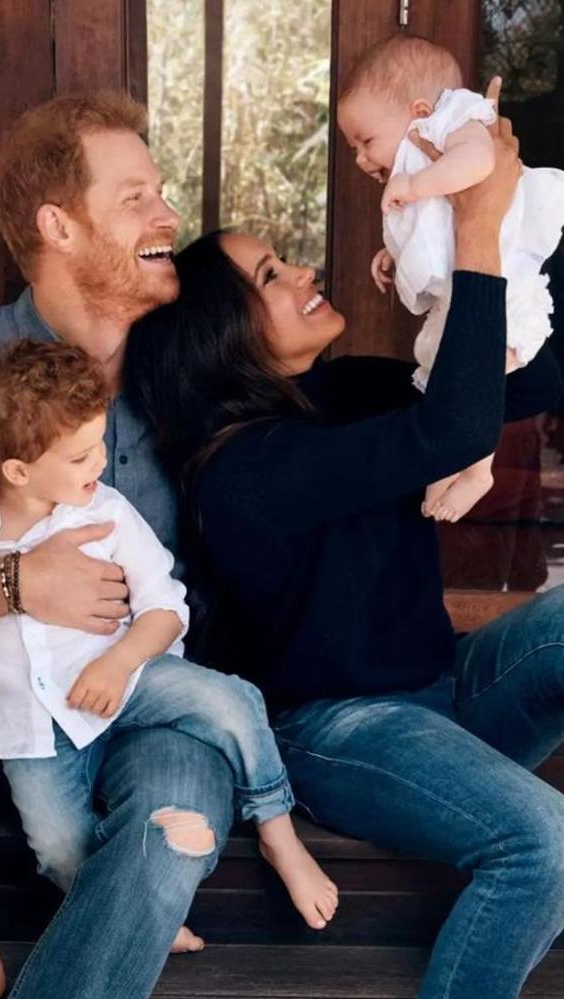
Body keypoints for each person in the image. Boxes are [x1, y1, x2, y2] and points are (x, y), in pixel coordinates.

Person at [125, 108, 564, 999]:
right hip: (340, 731)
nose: (304, 274)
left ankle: (467, 787)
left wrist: (506, 223)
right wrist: (472, 225)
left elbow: (531, 382)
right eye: (271, 275)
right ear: (221, 330)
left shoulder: (342, 392)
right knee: (541, 842)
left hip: (441, 694)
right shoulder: (241, 470)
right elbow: (451, 427)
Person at [0, 91, 238, 999]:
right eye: (135, 195)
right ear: (59, 224)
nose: (168, 214)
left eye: (160, 191)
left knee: (173, 824)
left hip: (148, 704)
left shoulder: (191, 367)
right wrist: (17, 582)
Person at [0, 337, 338, 932]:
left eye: (100, 443)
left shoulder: (108, 512)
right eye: (79, 456)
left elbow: (166, 608)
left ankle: (278, 831)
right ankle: (131, 909)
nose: (99, 463)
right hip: (32, 724)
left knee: (232, 702)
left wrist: (118, 663)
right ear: (18, 469)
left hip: (129, 673)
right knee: (55, 845)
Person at [337, 35, 564, 523]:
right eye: (352, 146)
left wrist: (416, 185)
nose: (359, 158)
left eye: (366, 140)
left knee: (474, 384)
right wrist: (393, 252)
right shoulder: (423, 157)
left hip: (504, 288)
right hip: (465, 292)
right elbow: (437, 229)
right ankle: (443, 471)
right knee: (446, 384)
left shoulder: (454, 120)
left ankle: (477, 471)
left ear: (419, 110)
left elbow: (480, 163)